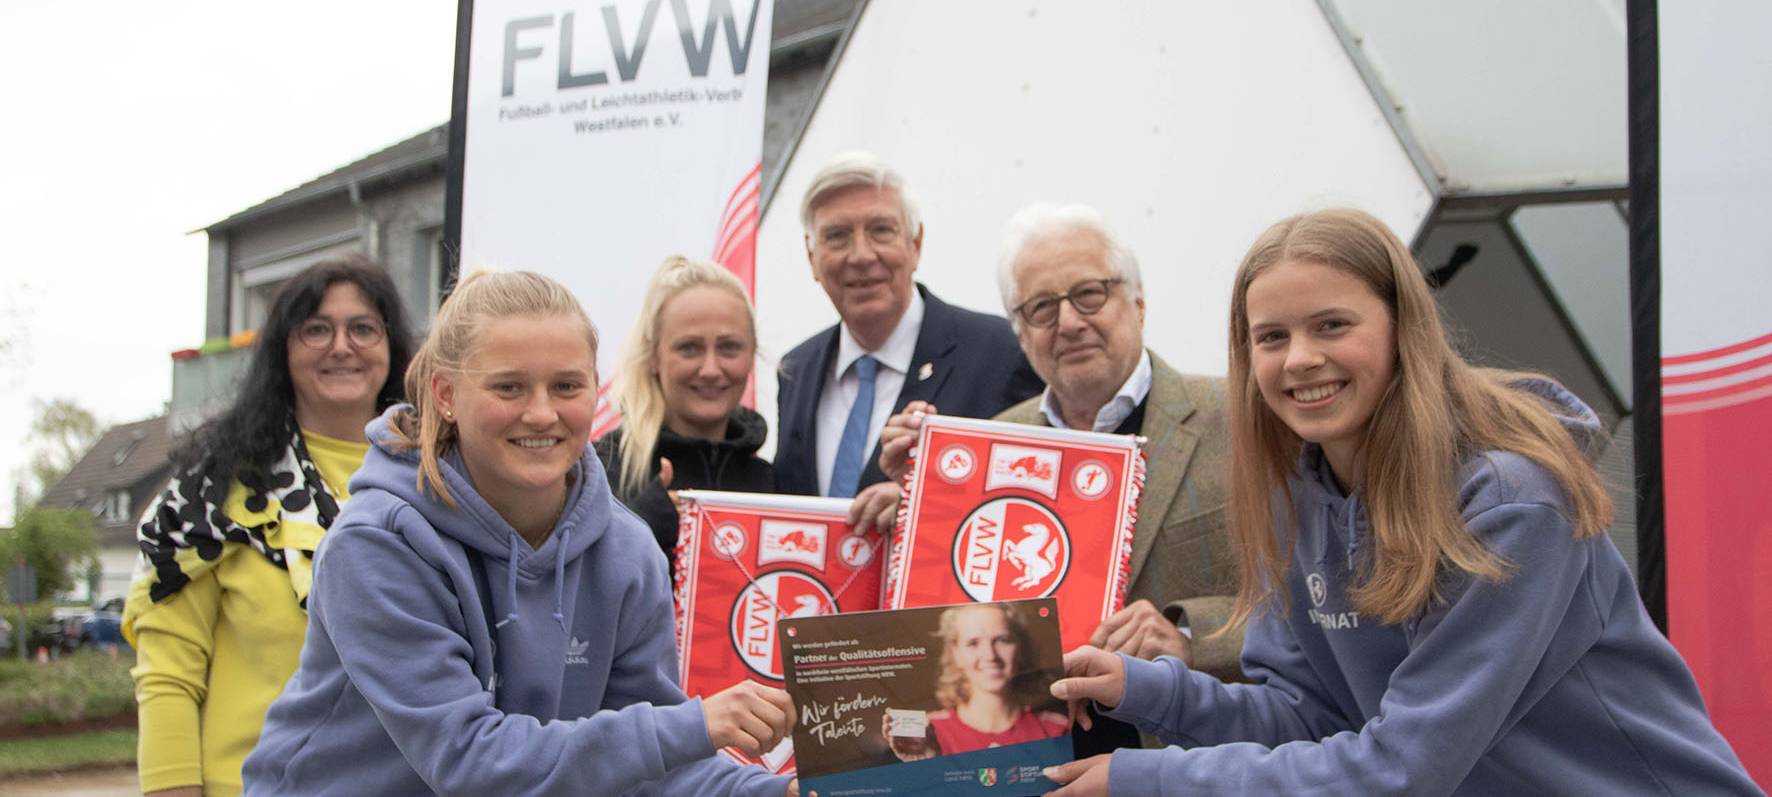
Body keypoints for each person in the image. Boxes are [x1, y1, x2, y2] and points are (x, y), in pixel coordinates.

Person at [1043, 208, 1761, 795]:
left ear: (1402, 329)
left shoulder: (1509, 501)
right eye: (1272, 337)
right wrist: (1145, 690)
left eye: (1331, 325)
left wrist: (1151, 778)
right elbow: (1314, 719)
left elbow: (1403, 767)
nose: (1299, 358)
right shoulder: (1299, 497)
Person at [241, 271, 794, 796]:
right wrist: (690, 727)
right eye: (508, 387)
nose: (541, 413)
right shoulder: (375, 545)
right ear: (445, 395)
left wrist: (777, 790)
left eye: (566, 386)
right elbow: (468, 764)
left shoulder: (625, 552)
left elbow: (646, 772)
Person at [878, 204, 1242, 754]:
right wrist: (917, 505)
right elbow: (948, 616)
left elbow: (1305, 600)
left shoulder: (1238, 419)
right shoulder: (991, 443)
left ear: (1138, 303)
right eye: (1042, 307)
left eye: (1090, 294)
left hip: (1186, 765)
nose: (1069, 322)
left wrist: (1192, 636)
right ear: (1021, 335)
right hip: (1026, 767)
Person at [123, 256, 415, 797]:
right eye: (316, 329)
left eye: (363, 328)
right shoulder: (214, 491)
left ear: (393, 347)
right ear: (282, 350)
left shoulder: (440, 483)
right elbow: (167, 676)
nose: (342, 346)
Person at [774, 151, 1042, 532]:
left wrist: (932, 499)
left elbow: (1036, 497)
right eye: (837, 236)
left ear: (915, 244)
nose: (862, 255)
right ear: (812, 257)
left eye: (881, 230)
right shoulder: (795, 370)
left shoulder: (1001, 353)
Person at [596, 255, 773, 568]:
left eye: (729, 347)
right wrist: (643, 525)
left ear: (752, 352)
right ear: (653, 355)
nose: (710, 369)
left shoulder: (772, 484)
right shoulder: (602, 470)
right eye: (689, 348)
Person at [885, 603, 1068, 760]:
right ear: (955, 653)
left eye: (1002, 640)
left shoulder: (1057, 730)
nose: (990, 656)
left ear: (1020, 648)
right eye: (973, 643)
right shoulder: (926, 733)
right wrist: (928, 767)